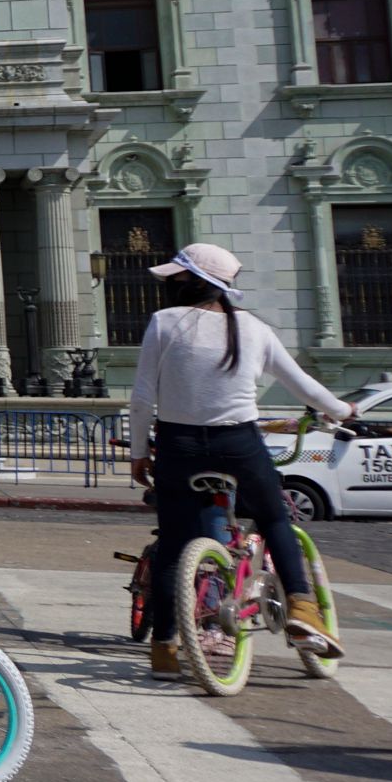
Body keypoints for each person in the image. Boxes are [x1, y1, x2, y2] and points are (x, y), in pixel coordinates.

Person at [126, 242, 352, 673]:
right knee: (273, 519)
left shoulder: (163, 322)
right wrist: (343, 411)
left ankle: (165, 648)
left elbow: (141, 399)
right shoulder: (254, 328)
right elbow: (303, 385)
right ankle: (302, 608)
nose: (169, 285)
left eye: (176, 277)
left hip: (178, 446)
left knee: (173, 543)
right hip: (240, 445)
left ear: (194, 282)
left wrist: (138, 453)